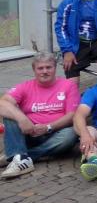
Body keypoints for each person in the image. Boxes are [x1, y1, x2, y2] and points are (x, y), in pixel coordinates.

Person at [0, 52, 79, 180]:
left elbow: (72, 115)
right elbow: (2, 103)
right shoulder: (25, 86)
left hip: (55, 134)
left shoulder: (68, 85)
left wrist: (48, 127)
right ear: (34, 70)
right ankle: (18, 156)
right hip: (29, 133)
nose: (44, 71)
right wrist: (22, 118)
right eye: (40, 68)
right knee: (10, 114)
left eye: (48, 67)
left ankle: (18, 157)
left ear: (55, 68)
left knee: (71, 134)